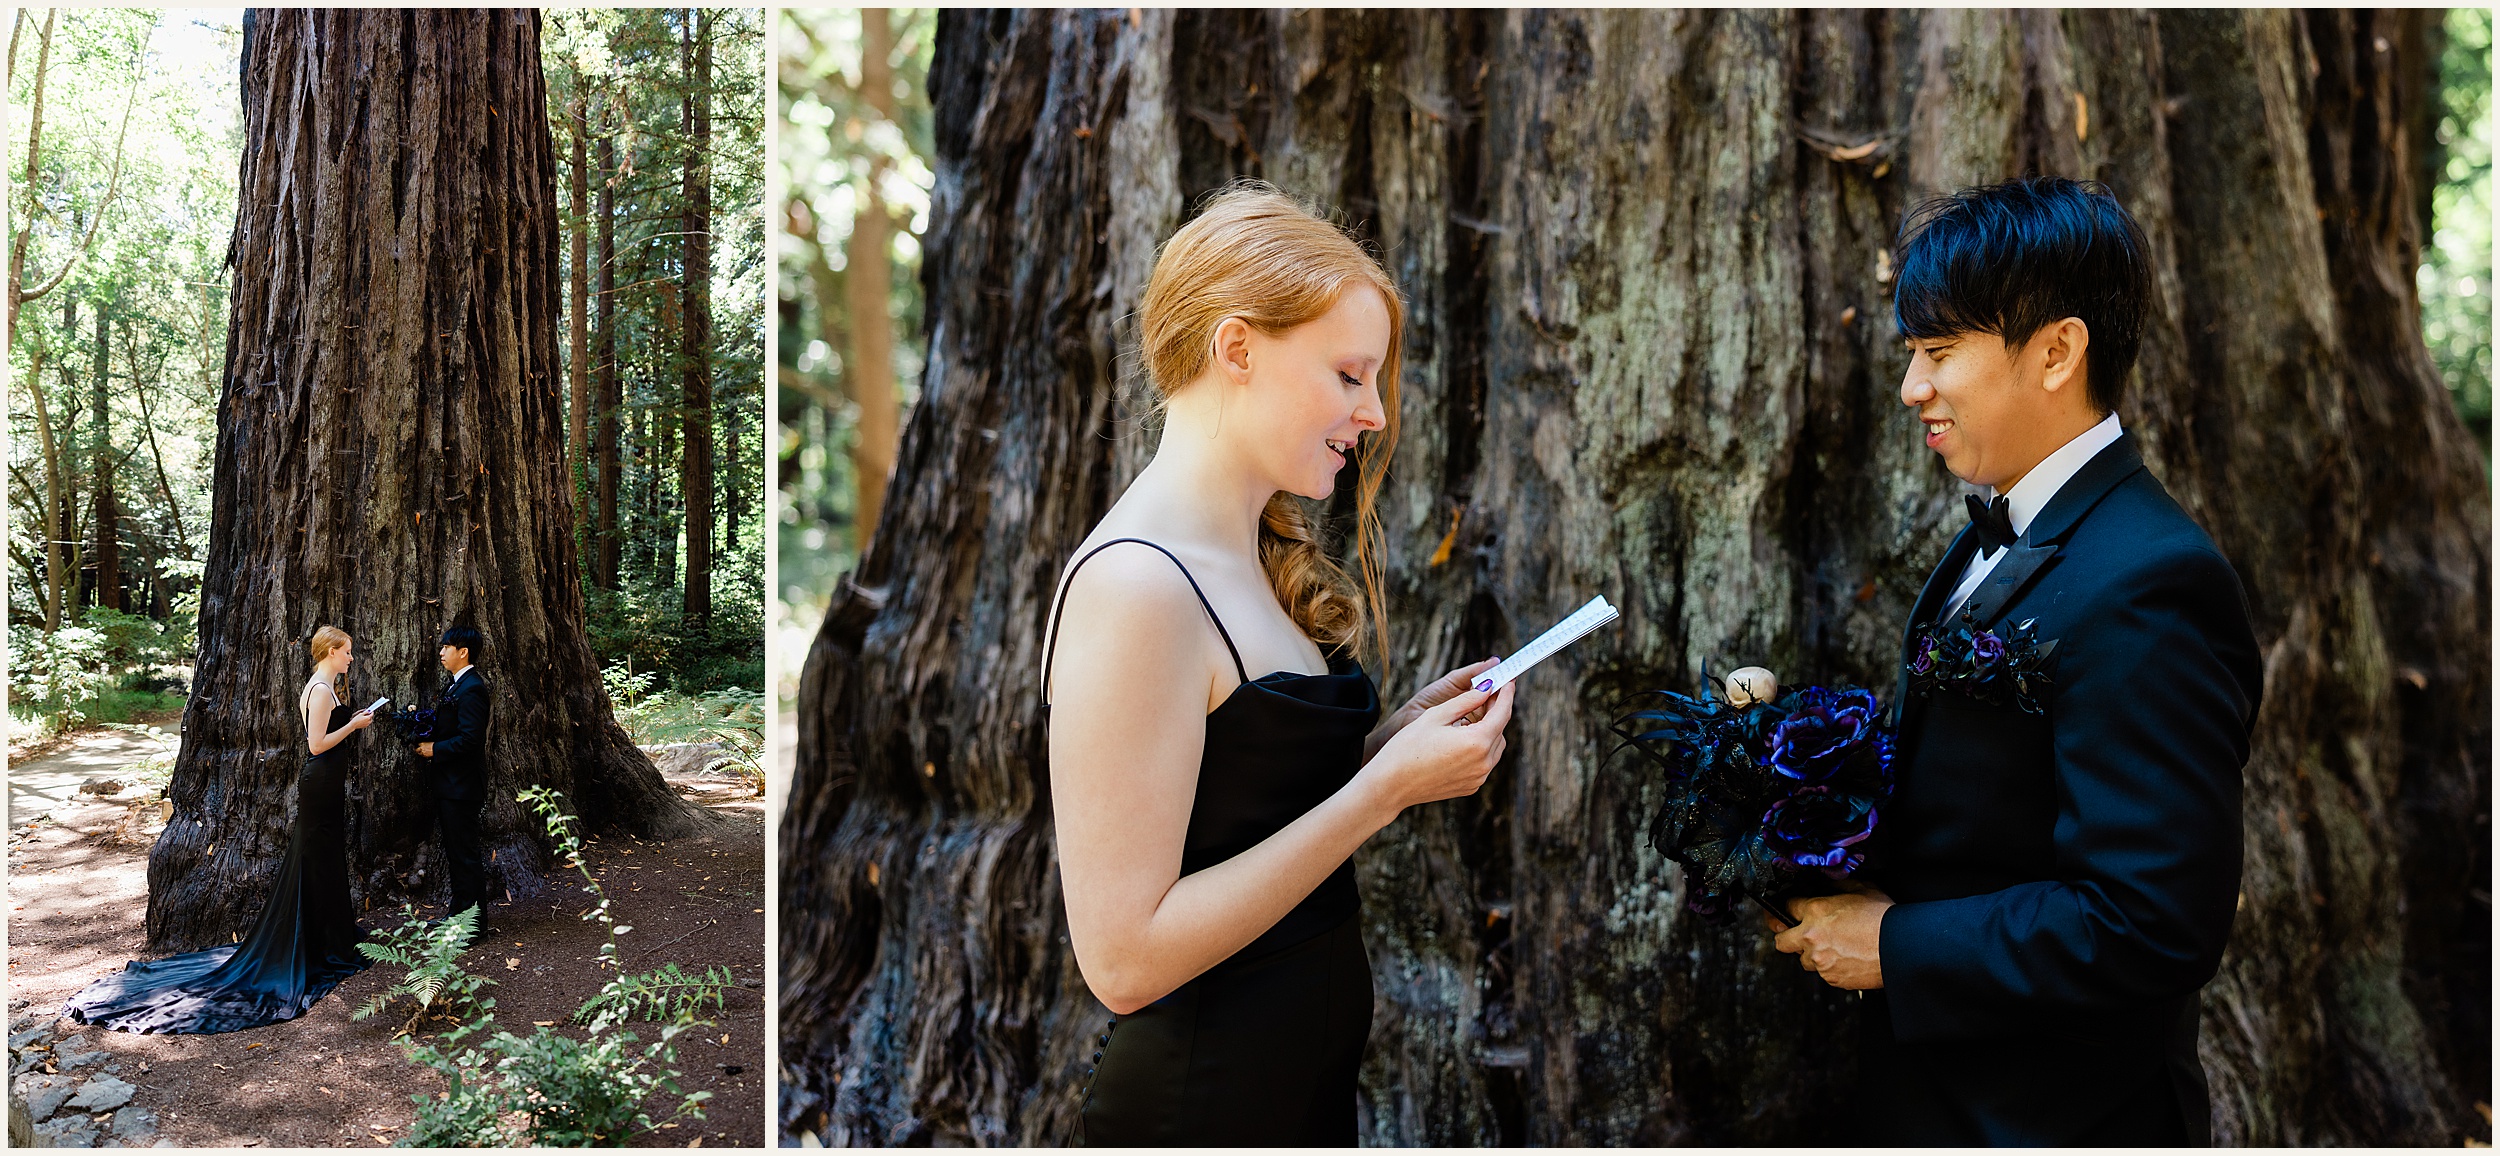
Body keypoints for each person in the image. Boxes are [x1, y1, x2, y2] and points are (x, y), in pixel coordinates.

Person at [1767, 177, 2263, 1144]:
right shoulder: (2008, 530)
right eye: (1914, 353)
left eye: (1940, 353)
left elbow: (2153, 917)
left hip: (2057, 1117)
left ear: (2056, 352)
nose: (1913, 386)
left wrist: (1895, 945)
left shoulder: (2152, 582)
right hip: (1940, 1100)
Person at [1043, 183, 1517, 1145]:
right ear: (1236, 349)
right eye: (1349, 375)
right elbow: (1124, 959)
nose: (1376, 412)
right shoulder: (1138, 586)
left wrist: (1392, 744)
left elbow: (1240, 808)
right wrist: (1379, 793)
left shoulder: (1249, 553)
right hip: (1199, 1110)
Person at [65, 625, 376, 1034]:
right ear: (331, 652)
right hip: (319, 783)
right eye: (347, 651)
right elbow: (316, 745)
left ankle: (327, 938)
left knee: (324, 858)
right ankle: (310, 942)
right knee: (312, 857)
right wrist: (352, 727)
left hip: (328, 784)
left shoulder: (327, 687)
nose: (352, 658)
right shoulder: (319, 689)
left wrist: (351, 718)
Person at [416, 624, 495, 946]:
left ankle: (474, 926)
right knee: (455, 854)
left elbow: (471, 740)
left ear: (463, 651)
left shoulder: (472, 688)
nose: (441, 652)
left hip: (462, 786)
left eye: (447, 647)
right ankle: (457, 914)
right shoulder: (455, 687)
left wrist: (435, 749)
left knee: (465, 856)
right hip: (450, 784)